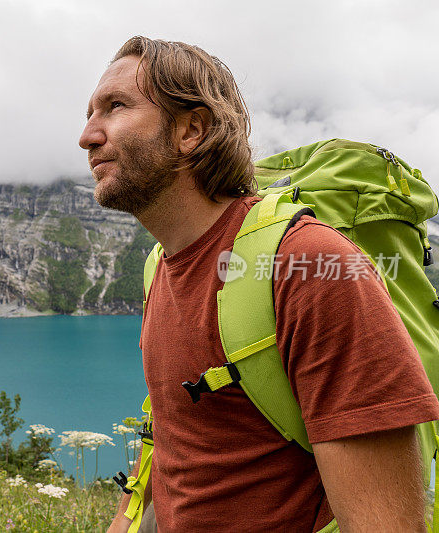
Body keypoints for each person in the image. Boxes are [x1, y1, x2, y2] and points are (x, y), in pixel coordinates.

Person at [78, 36, 439, 532]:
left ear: (191, 130)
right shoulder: (160, 265)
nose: (88, 136)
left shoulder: (308, 264)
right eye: (89, 113)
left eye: (115, 107)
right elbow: (176, 439)